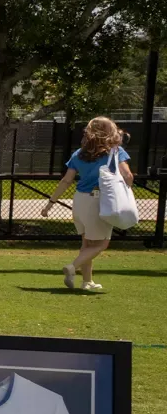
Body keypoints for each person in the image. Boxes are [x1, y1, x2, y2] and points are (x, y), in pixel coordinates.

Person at [43, 116, 134, 291]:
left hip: (80, 200)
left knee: (87, 244)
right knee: (101, 244)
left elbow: (66, 180)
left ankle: (87, 281)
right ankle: (72, 267)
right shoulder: (116, 151)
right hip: (99, 201)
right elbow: (128, 176)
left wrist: (50, 203)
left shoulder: (79, 153)